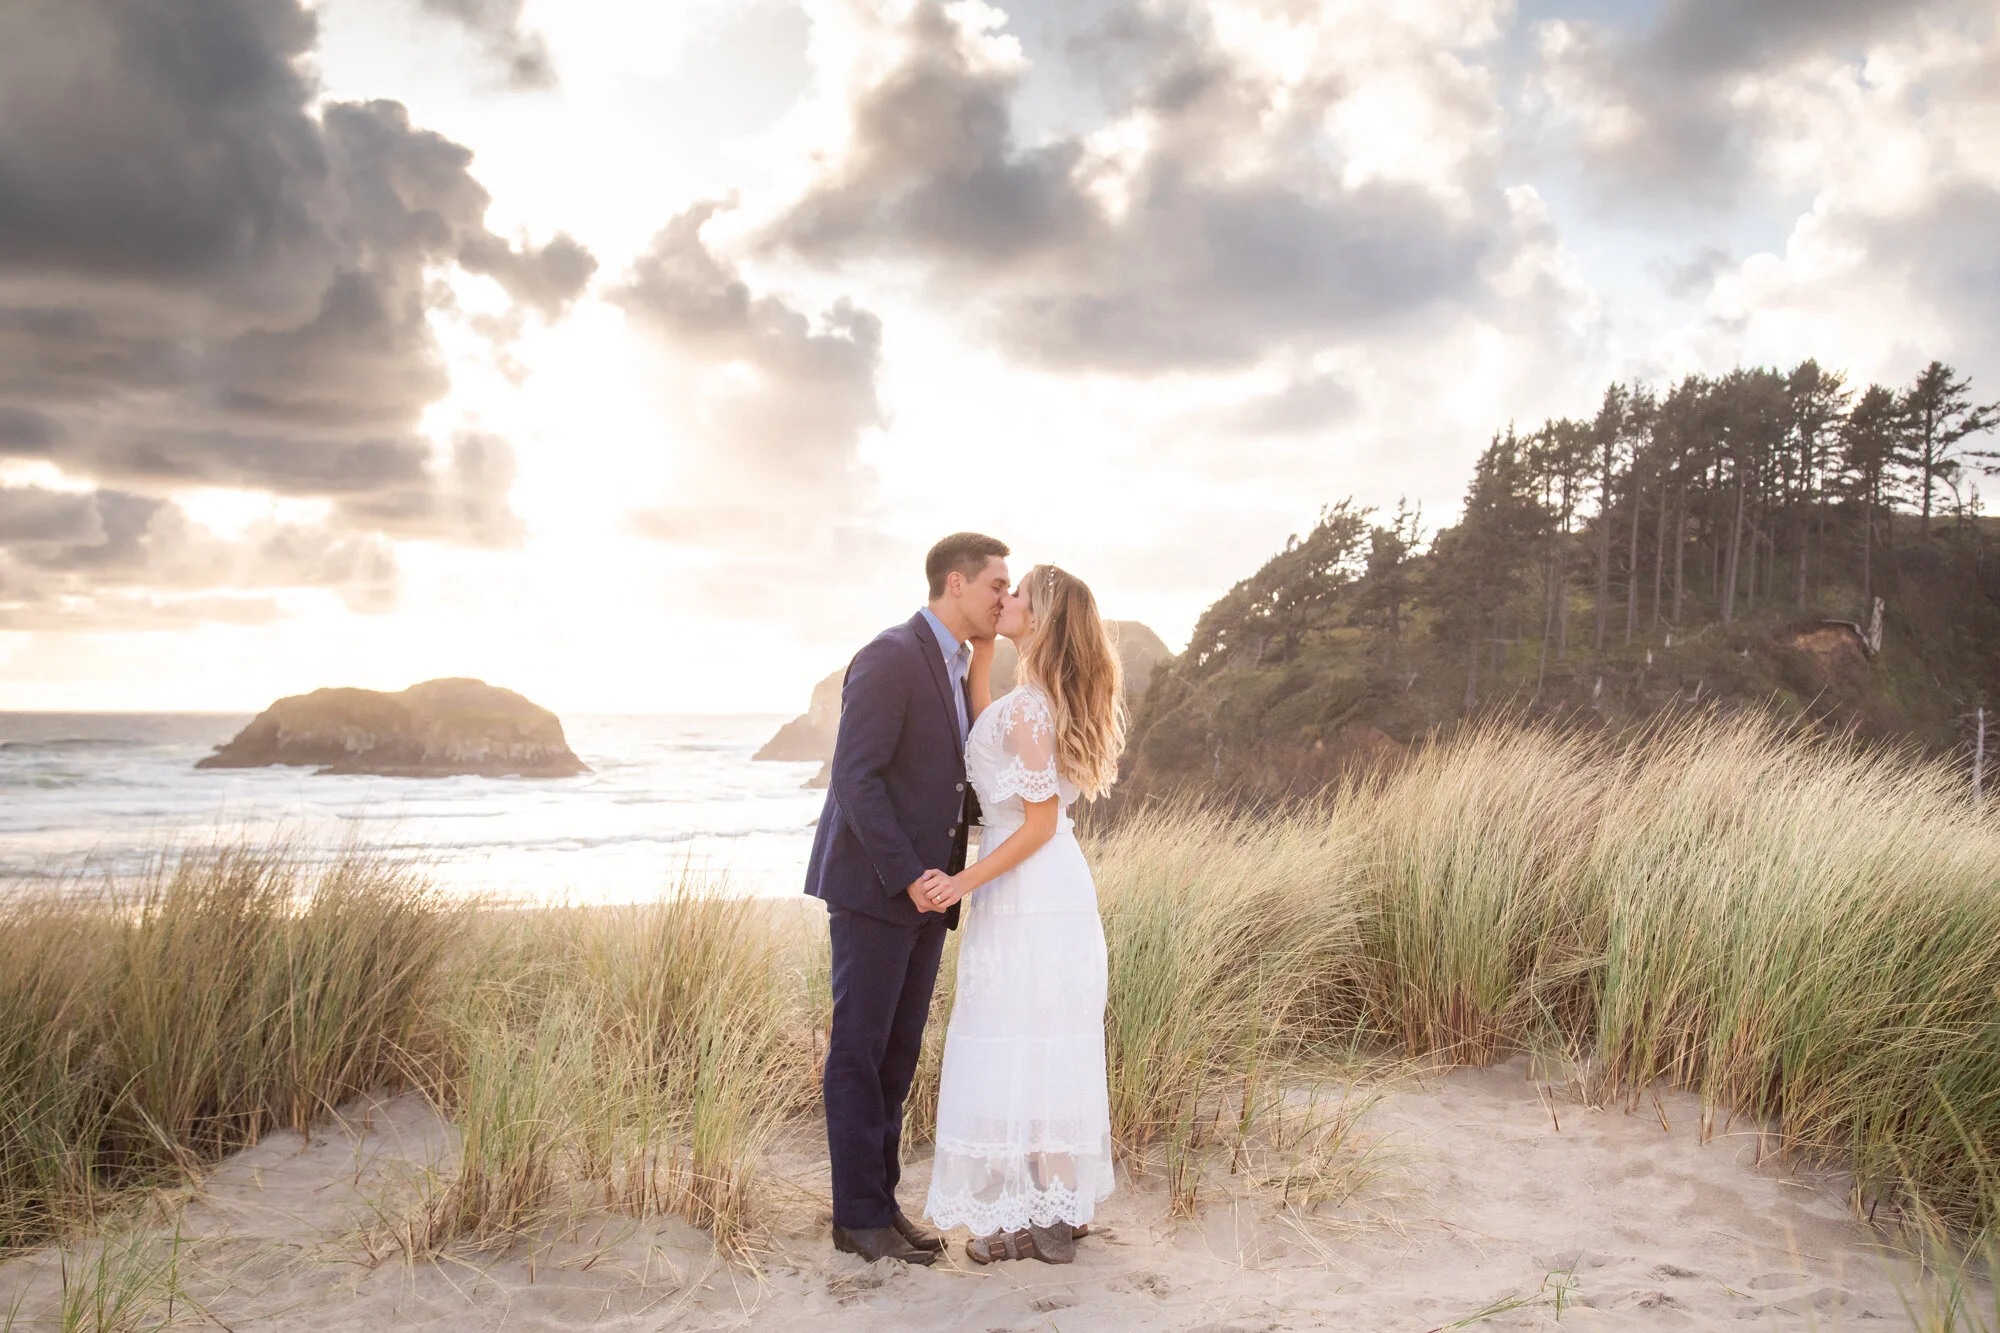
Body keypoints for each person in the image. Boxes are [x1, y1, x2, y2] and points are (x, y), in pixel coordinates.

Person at [804, 532, 1011, 1265]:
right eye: (995, 585)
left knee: (896, 1056)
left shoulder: (955, 667)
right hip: (874, 889)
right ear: (956, 583)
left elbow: (944, 785)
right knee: (859, 1054)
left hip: (928, 896)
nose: (1001, 598)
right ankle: (856, 1217)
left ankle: (881, 1209)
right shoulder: (893, 654)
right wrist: (909, 873)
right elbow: (855, 777)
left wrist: (944, 878)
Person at [920, 563, 1125, 1265]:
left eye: (1018, 594)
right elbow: (985, 727)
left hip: (1031, 888)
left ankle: (1048, 1227)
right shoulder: (1027, 697)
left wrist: (958, 881)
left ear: (1038, 617)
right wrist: (982, 654)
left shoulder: (1035, 707)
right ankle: (1057, 1210)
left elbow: (1036, 823)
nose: (1005, 599)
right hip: (1035, 888)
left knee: (1033, 1042)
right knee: (1038, 1041)